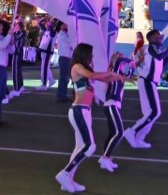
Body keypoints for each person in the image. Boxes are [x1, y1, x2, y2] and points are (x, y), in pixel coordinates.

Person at [55, 43, 131, 192]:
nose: (93, 57)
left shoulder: (85, 69)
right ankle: (64, 174)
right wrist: (112, 73)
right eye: (91, 54)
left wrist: (118, 75)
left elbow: (104, 79)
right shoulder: (77, 67)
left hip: (85, 111)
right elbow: (93, 76)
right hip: (78, 111)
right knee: (90, 146)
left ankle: (68, 179)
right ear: (85, 55)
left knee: (79, 147)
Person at [125, 29, 168, 149]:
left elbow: (160, 63)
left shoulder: (155, 50)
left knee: (151, 113)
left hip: (149, 82)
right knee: (154, 112)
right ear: (152, 39)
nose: (160, 38)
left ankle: (139, 138)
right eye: (158, 36)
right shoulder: (151, 48)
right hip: (147, 81)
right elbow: (159, 56)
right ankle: (132, 131)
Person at [99, 52, 134, 172]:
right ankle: (105, 157)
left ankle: (105, 158)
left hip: (113, 105)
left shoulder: (119, 74)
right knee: (119, 133)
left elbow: (129, 75)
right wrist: (130, 60)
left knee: (113, 132)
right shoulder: (113, 71)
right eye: (119, 57)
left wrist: (133, 65)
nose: (122, 60)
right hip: (111, 104)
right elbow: (119, 62)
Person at [6, 17, 26, 102]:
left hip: (18, 52)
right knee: (17, 70)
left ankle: (17, 88)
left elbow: (15, 39)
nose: (15, 27)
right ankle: (20, 86)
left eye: (16, 25)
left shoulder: (22, 32)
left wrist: (12, 33)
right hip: (16, 52)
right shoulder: (18, 32)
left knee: (16, 71)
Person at [37, 17, 58, 91]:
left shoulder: (53, 32)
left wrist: (49, 24)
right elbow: (39, 24)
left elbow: (52, 31)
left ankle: (44, 84)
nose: (49, 22)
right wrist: (42, 20)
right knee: (45, 67)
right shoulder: (47, 31)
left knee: (45, 68)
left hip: (47, 52)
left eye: (51, 22)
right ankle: (51, 80)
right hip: (44, 51)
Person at [56, 22, 73, 103]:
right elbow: (70, 44)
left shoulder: (65, 34)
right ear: (61, 26)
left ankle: (63, 96)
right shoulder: (61, 35)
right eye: (65, 24)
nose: (66, 26)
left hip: (67, 58)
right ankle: (61, 97)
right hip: (64, 58)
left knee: (65, 78)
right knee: (63, 78)